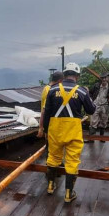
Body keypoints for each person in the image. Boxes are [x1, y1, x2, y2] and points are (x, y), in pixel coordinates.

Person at [43, 62, 95, 203]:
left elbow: (47, 111)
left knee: (53, 157)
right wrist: (88, 95)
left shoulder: (52, 90)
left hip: (55, 129)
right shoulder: (82, 91)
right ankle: (68, 194)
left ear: (64, 75)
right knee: (72, 161)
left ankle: (50, 186)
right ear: (77, 76)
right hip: (73, 130)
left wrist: (46, 130)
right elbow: (91, 110)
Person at [89, 72, 109, 138]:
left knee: (103, 122)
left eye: (106, 78)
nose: (104, 79)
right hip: (95, 105)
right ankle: (91, 138)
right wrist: (91, 100)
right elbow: (90, 93)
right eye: (103, 78)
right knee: (93, 122)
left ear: (108, 78)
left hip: (105, 106)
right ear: (101, 78)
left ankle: (102, 137)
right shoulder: (96, 85)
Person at [37, 71, 64, 138]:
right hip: (50, 123)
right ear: (60, 81)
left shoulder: (46, 88)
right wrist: (41, 127)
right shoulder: (50, 90)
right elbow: (44, 110)